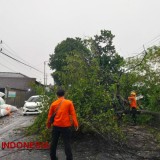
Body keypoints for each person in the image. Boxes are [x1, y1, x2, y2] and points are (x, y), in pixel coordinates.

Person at [46, 89, 79, 160]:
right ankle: (69, 158)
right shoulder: (69, 103)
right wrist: (76, 124)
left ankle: (53, 157)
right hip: (66, 126)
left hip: (56, 126)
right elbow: (73, 114)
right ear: (64, 94)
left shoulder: (53, 104)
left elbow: (49, 116)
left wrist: (48, 125)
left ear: (57, 95)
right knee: (67, 143)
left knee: (54, 143)